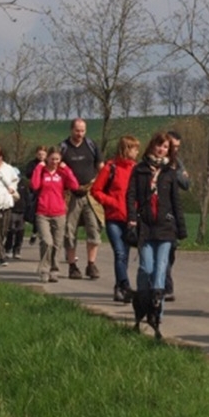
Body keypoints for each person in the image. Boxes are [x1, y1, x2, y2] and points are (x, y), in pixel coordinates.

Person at [127, 132, 187, 320]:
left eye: (166, 147)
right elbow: (130, 195)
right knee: (146, 268)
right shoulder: (139, 170)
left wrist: (181, 227)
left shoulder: (170, 172)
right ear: (152, 146)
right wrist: (131, 218)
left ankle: (156, 314)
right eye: (159, 146)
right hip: (145, 227)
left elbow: (175, 201)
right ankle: (142, 303)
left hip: (165, 228)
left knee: (161, 269)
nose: (161, 150)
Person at [91, 135, 141, 303]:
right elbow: (96, 190)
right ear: (126, 149)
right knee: (119, 252)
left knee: (124, 255)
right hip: (113, 218)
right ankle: (125, 285)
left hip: (130, 219)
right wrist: (111, 202)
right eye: (134, 148)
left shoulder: (136, 169)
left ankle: (118, 288)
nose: (137, 152)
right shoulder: (110, 168)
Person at [59, 118, 104, 280]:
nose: (80, 134)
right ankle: (72, 266)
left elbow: (101, 167)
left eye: (83, 131)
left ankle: (91, 265)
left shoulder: (91, 146)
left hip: (90, 193)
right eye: (77, 131)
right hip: (71, 195)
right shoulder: (63, 147)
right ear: (71, 130)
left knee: (94, 228)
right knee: (69, 231)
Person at [32, 146, 80, 283]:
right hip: (43, 212)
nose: (54, 162)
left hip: (59, 213)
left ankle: (54, 269)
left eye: (57, 159)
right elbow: (35, 186)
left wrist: (67, 169)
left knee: (57, 244)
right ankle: (44, 269)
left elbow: (75, 186)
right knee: (47, 242)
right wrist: (38, 168)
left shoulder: (61, 173)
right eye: (52, 159)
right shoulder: (42, 172)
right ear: (47, 158)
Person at [163, 130, 190, 302]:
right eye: (173, 146)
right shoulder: (152, 159)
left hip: (173, 212)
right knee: (162, 251)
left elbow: (186, 184)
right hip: (158, 212)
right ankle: (165, 287)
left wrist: (176, 172)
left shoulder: (177, 162)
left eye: (178, 147)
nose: (175, 149)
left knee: (171, 252)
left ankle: (162, 281)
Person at [24, 145, 47, 245]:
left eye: (43, 154)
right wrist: (37, 169)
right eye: (39, 154)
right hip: (34, 190)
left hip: (46, 190)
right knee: (34, 211)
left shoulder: (49, 163)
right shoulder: (32, 163)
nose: (41, 156)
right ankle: (34, 230)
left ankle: (37, 232)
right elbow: (27, 174)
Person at [4, 177, 31, 260]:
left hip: (22, 211)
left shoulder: (24, 184)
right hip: (11, 210)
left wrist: (27, 211)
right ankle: (8, 249)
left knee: (20, 231)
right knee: (11, 230)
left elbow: (27, 198)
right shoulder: (8, 183)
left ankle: (17, 250)